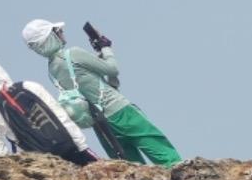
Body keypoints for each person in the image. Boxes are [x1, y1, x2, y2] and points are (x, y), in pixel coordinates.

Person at [21, 20, 182, 166]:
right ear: (51, 37)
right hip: (121, 111)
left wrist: (98, 58)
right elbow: (112, 69)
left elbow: (88, 83)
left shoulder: (52, 70)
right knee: (163, 153)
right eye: (58, 31)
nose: (62, 33)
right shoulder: (73, 53)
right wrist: (106, 48)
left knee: (132, 168)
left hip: (101, 125)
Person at [0, 56, 94, 164]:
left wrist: (11, 169)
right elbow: (60, 116)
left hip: (34, 161)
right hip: (68, 148)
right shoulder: (29, 86)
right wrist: (82, 146)